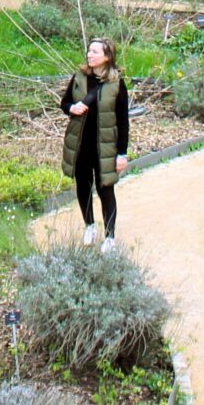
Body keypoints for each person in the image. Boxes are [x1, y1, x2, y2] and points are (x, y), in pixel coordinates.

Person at [60, 36, 130, 251]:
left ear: (107, 56)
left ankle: (110, 237)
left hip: (105, 148)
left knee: (105, 189)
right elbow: (64, 103)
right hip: (81, 145)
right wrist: (72, 108)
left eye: (95, 52)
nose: (90, 55)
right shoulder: (79, 77)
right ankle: (89, 225)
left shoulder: (116, 83)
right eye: (89, 51)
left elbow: (123, 120)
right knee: (83, 186)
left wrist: (121, 153)